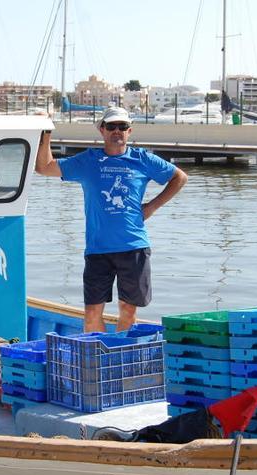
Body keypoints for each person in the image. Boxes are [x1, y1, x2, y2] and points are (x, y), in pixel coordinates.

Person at [35, 107, 187, 332]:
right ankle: (99, 360)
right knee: (91, 315)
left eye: (122, 127)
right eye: (112, 126)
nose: (117, 131)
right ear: (102, 130)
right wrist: (46, 130)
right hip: (98, 250)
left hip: (133, 246)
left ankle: (120, 360)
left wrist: (152, 207)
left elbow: (179, 177)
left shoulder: (142, 159)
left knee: (127, 310)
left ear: (129, 131)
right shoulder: (88, 161)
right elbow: (44, 168)